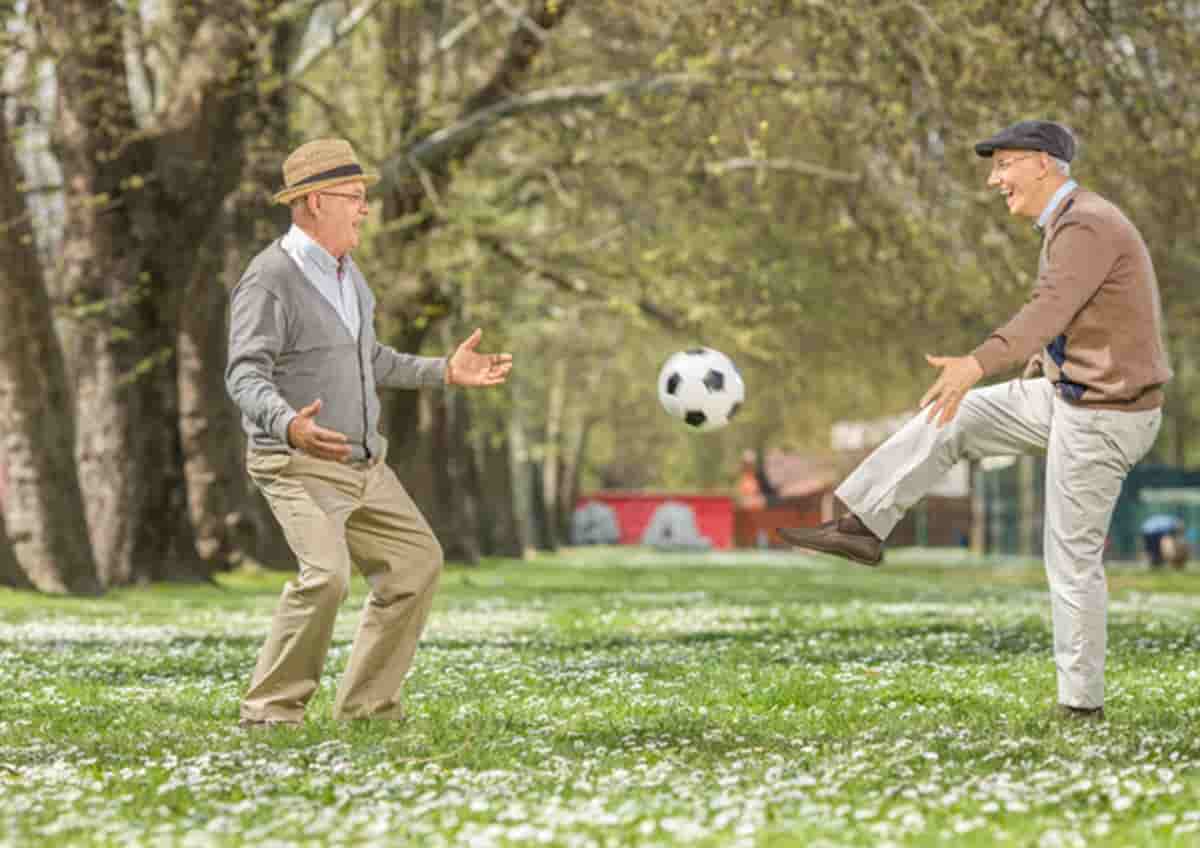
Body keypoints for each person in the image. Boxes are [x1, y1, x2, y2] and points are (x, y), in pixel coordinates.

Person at [780, 120, 1171, 721]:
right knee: (956, 414)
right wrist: (1041, 361)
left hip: (1105, 416)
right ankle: (862, 524)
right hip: (1070, 398)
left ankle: (1080, 706)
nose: (994, 179)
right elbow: (1078, 313)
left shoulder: (1087, 223)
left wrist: (977, 362)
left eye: (1004, 165)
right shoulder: (1070, 222)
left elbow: (1049, 308)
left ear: (1044, 164)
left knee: (1070, 558)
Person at [226, 138, 513, 727]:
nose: (364, 210)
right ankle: (270, 709)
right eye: (354, 198)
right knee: (327, 577)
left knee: (416, 563)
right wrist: (288, 426)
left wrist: (443, 372)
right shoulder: (269, 279)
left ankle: (367, 709)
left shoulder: (349, 276)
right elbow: (243, 374)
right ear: (311, 203)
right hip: (295, 463)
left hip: (364, 466)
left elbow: (371, 360)